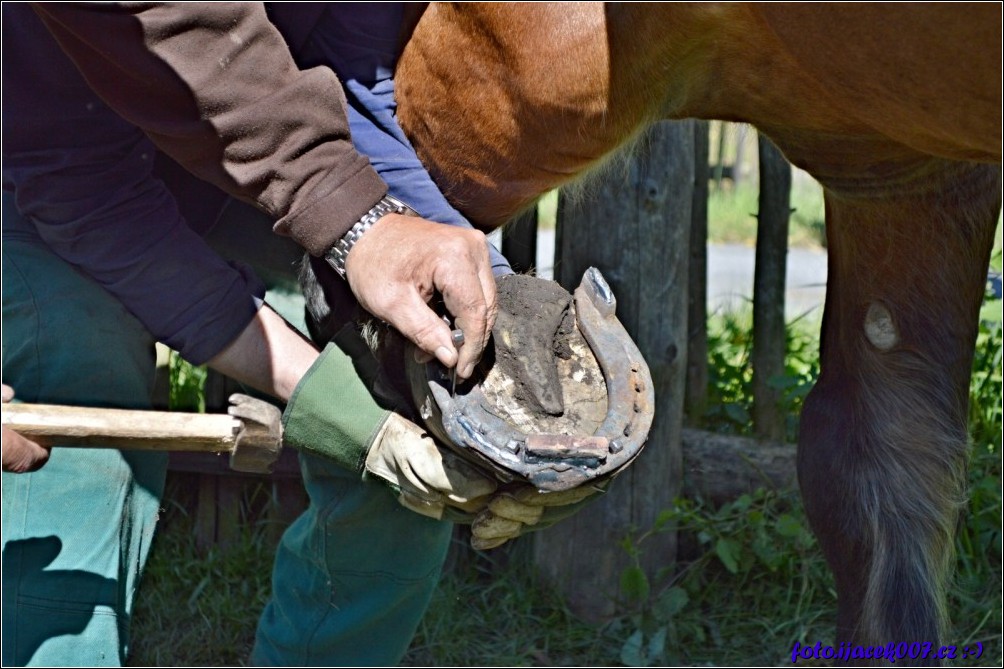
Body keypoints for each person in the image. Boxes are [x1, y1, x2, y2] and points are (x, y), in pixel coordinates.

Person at [1, 3, 544, 666]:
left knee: (407, 373)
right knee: (80, 377)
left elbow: (348, 87)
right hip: (40, 163)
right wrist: (326, 400)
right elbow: (84, 186)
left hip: (237, 162)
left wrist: (492, 308)